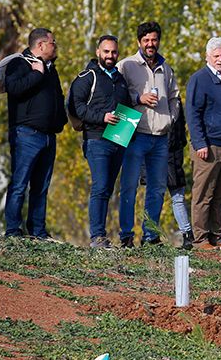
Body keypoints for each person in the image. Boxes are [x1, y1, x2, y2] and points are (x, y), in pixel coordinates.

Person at [116, 22, 182, 247]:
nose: (150, 44)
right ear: (139, 42)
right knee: (129, 186)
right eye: (146, 40)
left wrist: (170, 119)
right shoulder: (126, 65)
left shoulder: (167, 68)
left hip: (160, 138)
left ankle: (150, 236)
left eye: (154, 40)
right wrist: (138, 99)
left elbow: (175, 98)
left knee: (156, 188)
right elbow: (116, 96)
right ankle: (126, 235)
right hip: (134, 135)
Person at [3, 28, 65, 239]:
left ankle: (38, 230)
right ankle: (13, 230)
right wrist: (36, 74)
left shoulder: (51, 68)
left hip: (49, 136)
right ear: (40, 45)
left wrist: (61, 121)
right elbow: (14, 88)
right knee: (20, 183)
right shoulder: (18, 64)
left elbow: (57, 96)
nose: (55, 46)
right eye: (53, 43)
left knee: (41, 186)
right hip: (26, 134)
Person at [72, 35, 132, 248]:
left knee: (107, 188)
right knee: (100, 186)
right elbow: (75, 105)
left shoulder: (120, 78)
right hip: (96, 140)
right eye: (106, 51)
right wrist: (102, 117)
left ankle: (103, 235)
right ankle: (97, 236)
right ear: (98, 52)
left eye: (114, 52)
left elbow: (127, 107)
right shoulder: (87, 76)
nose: (110, 55)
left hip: (118, 140)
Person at [186, 37, 221, 250]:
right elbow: (193, 112)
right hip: (208, 146)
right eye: (216, 56)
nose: (220, 59)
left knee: (220, 195)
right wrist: (200, 143)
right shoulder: (200, 79)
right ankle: (200, 239)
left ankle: (216, 237)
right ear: (207, 56)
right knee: (203, 195)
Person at [166, 99, 193, 249]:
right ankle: (150, 235)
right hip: (158, 149)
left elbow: (180, 127)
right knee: (154, 195)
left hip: (173, 152)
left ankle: (187, 233)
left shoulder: (175, 100)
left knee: (177, 196)